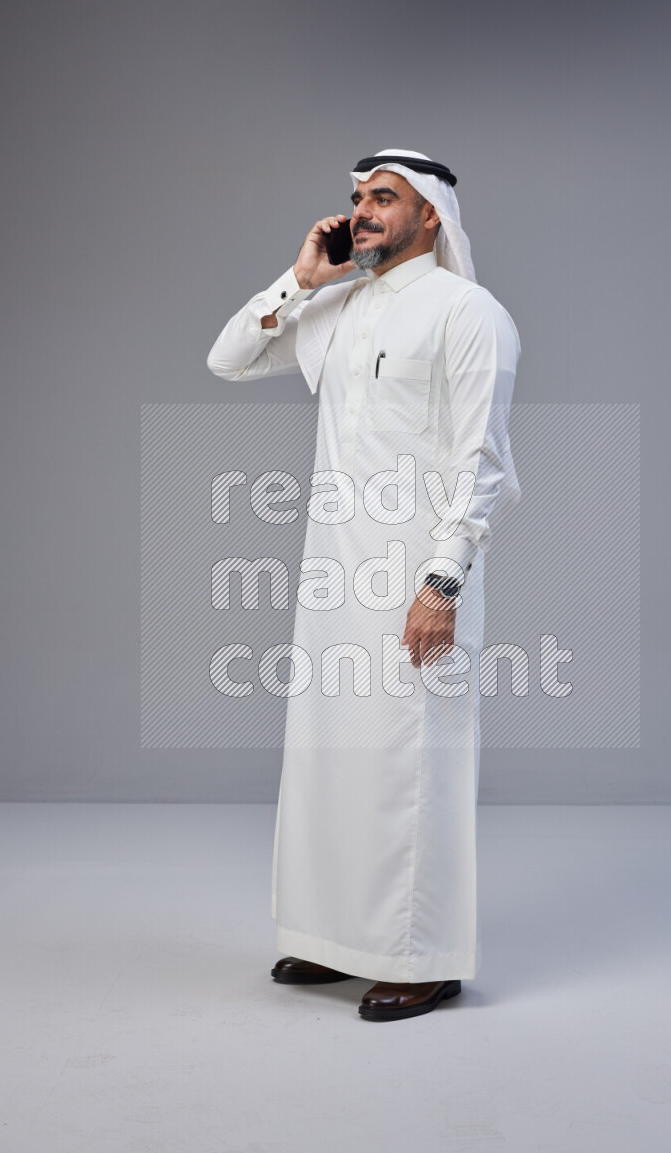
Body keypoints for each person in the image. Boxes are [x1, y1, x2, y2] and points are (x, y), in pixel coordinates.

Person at [207, 148, 521, 1022]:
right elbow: (228, 358)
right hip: (330, 574)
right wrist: (301, 278)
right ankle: (334, 936)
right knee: (326, 757)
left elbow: (482, 461)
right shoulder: (336, 306)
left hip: (413, 574)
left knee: (408, 764)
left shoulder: (469, 313)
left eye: (384, 198)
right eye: (356, 199)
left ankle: (421, 956)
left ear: (431, 215)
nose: (365, 211)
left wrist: (444, 581)